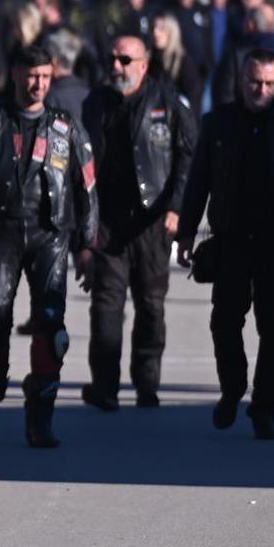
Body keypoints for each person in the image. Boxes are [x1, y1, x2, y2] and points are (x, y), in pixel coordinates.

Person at [0, 44, 98, 449]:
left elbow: (88, 187)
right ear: (15, 74)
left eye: (46, 76)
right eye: (31, 76)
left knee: (51, 326)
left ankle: (40, 417)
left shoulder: (66, 126)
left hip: (51, 236)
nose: (38, 84)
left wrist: (87, 245)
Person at [177, 49, 274, 439]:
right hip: (231, 238)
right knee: (224, 321)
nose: (260, 90)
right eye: (253, 82)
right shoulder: (218, 124)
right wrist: (185, 231)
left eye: (268, 84)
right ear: (241, 81)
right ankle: (232, 389)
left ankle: (263, 407)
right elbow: (198, 183)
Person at [79, 35, 197, 410]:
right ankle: (105, 387)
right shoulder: (95, 102)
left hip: (152, 221)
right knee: (105, 305)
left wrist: (177, 207)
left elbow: (188, 158)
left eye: (125, 60)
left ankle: (147, 383)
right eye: (112, 58)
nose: (116, 66)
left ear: (144, 65)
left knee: (151, 305)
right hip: (108, 223)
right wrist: (82, 229)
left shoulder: (169, 103)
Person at [151, 12, 204, 108]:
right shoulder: (149, 59)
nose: (156, 33)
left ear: (171, 33)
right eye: (154, 28)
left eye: (161, 29)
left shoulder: (182, 61)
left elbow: (193, 94)